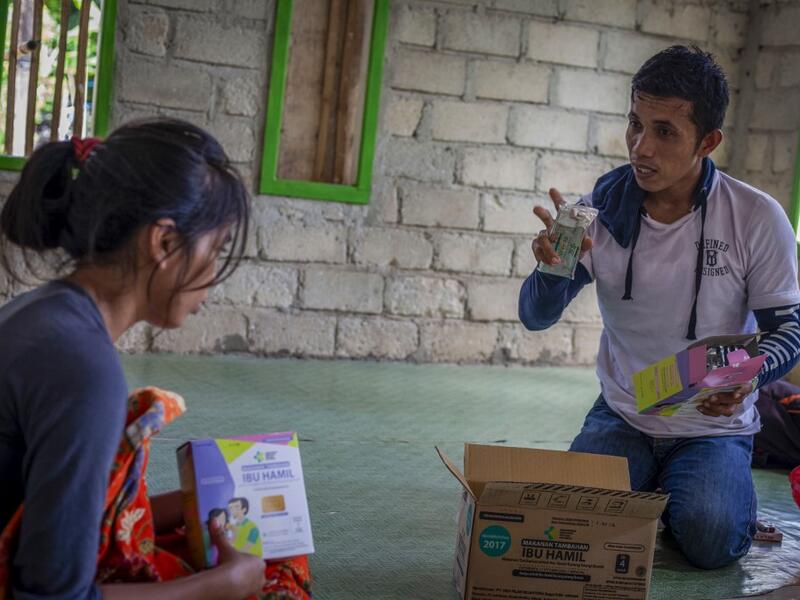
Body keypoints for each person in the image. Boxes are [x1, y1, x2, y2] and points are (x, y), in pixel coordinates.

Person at [519, 45, 800, 569]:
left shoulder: (756, 217)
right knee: (572, 526)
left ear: (708, 141)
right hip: (623, 414)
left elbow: (789, 331)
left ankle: (694, 494)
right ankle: (652, 488)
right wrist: (552, 270)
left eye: (665, 131)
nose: (640, 147)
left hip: (711, 427)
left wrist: (748, 378)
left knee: (712, 540)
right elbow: (535, 318)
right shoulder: (597, 212)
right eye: (635, 124)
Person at [0, 119, 266, 599]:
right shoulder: (83, 369)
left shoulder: (45, 313)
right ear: (164, 243)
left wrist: (193, 504)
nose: (213, 276)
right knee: (274, 581)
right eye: (217, 248)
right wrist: (217, 588)